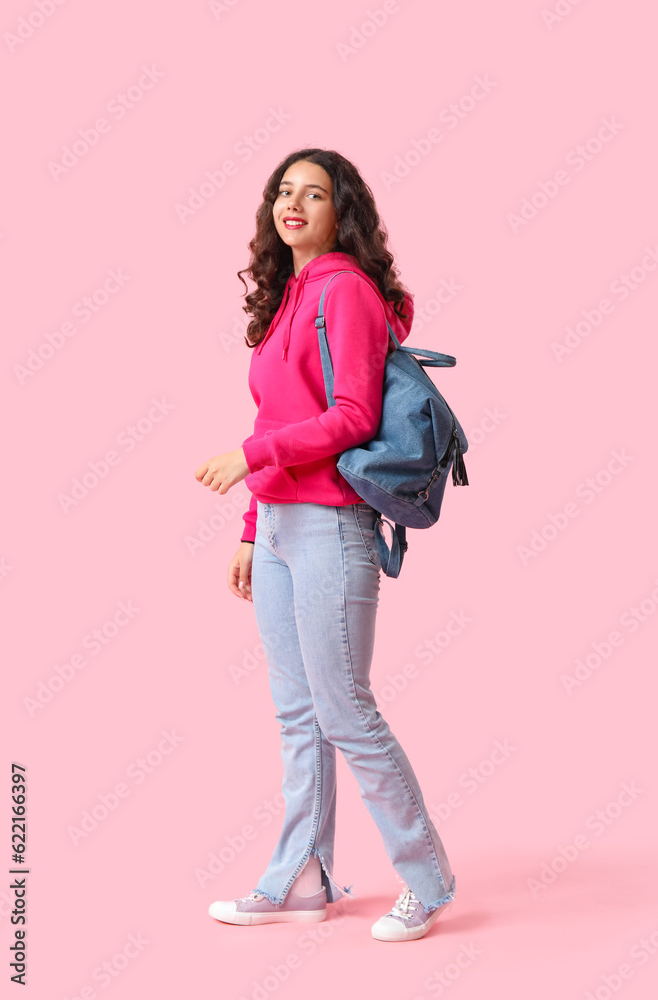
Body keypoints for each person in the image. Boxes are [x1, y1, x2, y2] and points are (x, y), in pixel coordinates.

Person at [194, 148, 456, 942]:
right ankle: (301, 877)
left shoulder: (344, 290)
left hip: (332, 525)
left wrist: (246, 460)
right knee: (297, 714)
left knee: (345, 711)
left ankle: (426, 881)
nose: (293, 203)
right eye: (283, 191)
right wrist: (250, 527)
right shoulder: (288, 296)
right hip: (278, 527)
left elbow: (351, 417)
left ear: (343, 212)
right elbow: (279, 422)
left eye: (314, 193)